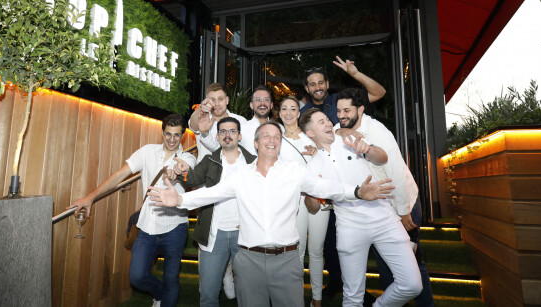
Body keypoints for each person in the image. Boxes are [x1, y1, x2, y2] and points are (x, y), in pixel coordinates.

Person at [148, 121, 395, 307]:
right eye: (265, 135)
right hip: (248, 262)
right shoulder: (241, 175)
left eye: (276, 136)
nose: (271, 139)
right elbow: (210, 194)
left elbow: (326, 187)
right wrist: (179, 199)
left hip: (287, 262)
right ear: (255, 143)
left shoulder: (294, 171)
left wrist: (357, 191)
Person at [68, 114, 196, 307]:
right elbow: (120, 175)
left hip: (175, 227)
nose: (171, 139)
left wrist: (178, 172)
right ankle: (160, 294)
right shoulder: (147, 152)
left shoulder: (187, 157)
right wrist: (90, 197)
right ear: (162, 133)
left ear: (183, 136)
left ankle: (167, 295)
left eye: (176, 135)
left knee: (171, 279)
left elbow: (187, 169)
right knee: (136, 276)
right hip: (147, 225)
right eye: (168, 134)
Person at [300, 108, 422, 306]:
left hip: (385, 219)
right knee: (353, 296)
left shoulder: (350, 141)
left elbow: (383, 158)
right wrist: (316, 192)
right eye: (320, 122)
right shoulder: (312, 166)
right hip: (350, 228)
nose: (329, 123)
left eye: (327, 120)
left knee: (412, 284)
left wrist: (367, 149)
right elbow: (312, 208)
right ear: (310, 133)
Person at [335, 88, 434, 306]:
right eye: (338, 110)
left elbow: (396, 171)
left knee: (413, 263)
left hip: (403, 200)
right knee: (385, 266)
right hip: (381, 207)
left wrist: (403, 210)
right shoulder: (340, 128)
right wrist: (339, 132)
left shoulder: (378, 131)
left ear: (360, 109)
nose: (341, 115)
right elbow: (331, 136)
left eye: (346, 110)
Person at [301, 56, 387, 297]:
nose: (317, 87)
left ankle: (359, 288)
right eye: (312, 84)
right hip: (328, 186)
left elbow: (379, 93)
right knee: (331, 241)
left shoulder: (341, 102)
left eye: (321, 82)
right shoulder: (303, 114)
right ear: (307, 89)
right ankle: (338, 281)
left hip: (357, 179)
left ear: (327, 84)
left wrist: (355, 73)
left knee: (360, 240)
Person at [177, 117, 256, 307]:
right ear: (218, 137)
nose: (227, 135)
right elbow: (192, 178)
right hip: (213, 235)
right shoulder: (209, 160)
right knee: (208, 295)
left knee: (250, 295)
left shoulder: (253, 162)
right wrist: (182, 170)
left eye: (232, 131)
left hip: (246, 235)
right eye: (222, 132)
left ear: (240, 136)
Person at [279, 95, 328, 307]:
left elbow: (328, 162)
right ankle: (296, 298)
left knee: (317, 250)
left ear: (299, 113)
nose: (288, 112)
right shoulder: (275, 137)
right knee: (296, 251)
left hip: (318, 198)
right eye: (284, 109)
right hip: (293, 201)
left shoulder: (311, 137)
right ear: (279, 113)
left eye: (293, 108)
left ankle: (317, 299)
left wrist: (318, 154)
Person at [200, 85, 274, 155]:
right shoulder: (242, 127)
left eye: (266, 100)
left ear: (271, 105)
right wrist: (204, 133)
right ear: (251, 105)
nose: (262, 103)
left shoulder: (280, 129)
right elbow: (222, 148)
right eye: (258, 100)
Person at [189, 83, 247, 163]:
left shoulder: (241, 121)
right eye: (212, 100)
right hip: (204, 172)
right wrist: (201, 108)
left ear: (227, 100)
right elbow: (193, 125)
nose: (216, 104)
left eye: (220, 99)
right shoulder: (202, 118)